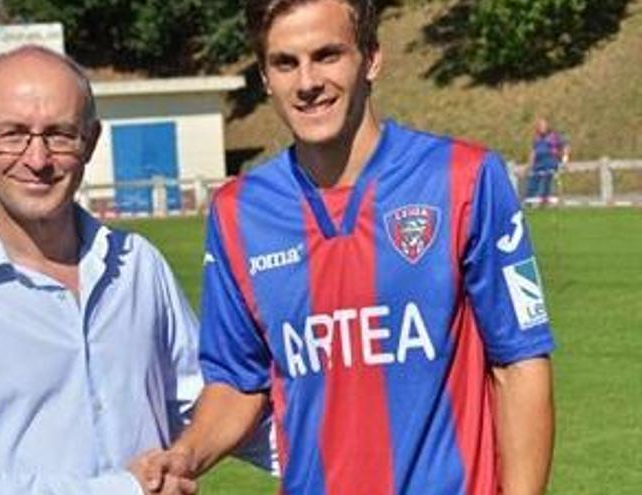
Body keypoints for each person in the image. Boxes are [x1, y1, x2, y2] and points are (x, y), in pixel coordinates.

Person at [143, 1, 556, 494]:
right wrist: (186, 454)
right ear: (265, 77)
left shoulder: (464, 179)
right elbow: (237, 381)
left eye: (327, 55)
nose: (307, 82)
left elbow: (519, 362)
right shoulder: (239, 212)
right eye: (285, 63)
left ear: (372, 58)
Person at [0, 45, 204, 494]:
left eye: (59, 134)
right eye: (13, 134)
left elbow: (204, 398)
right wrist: (123, 490)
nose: (37, 159)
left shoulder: (137, 266)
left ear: (89, 142)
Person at [525, 117, 569, 207]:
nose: (541, 128)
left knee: (546, 182)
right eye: (540, 126)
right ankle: (529, 201)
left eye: (543, 126)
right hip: (538, 164)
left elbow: (565, 146)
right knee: (532, 183)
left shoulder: (554, 136)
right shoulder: (536, 138)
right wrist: (529, 165)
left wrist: (564, 160)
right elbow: (533, 152)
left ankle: (544, 202)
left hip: (550, 162)